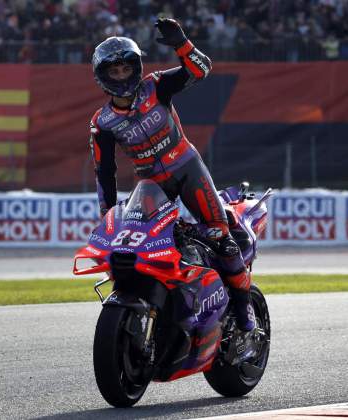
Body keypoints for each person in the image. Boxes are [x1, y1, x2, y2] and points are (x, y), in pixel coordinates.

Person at [88, 19, 256, 342]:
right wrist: (107, 217)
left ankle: (244, 310)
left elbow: (200, 70)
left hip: (188, 169)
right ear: (103, 76)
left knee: (221, 238)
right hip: (151, 185)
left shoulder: (156, 86)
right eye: (115, 71)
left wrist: (182, 44)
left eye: (127, 68)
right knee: (139, 249)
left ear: (137, 68)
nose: (122, 76)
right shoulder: (101, 123)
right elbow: (104, 174)